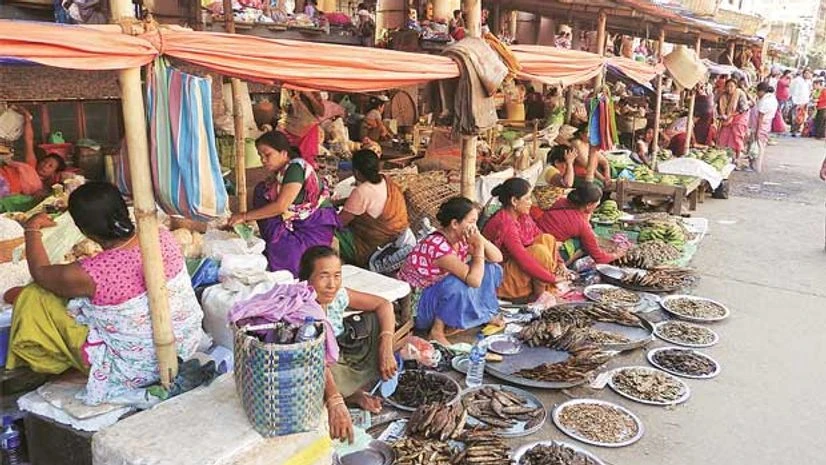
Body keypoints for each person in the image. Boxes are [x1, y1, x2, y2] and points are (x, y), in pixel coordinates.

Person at [5, 182, 205, 405]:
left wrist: (32, 230)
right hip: (185, 345)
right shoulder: (162, 237)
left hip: (135, 369)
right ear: (124, 209)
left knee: (34, 295)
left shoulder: (90, 272)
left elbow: (41, 273)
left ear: (82, 230)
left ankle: (40, 367)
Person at [299, 246, 398, 442]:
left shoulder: (339, 294)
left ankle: (351, 392)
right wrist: (335, 401)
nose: (332, 284)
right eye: (324, 276)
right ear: (307, 280)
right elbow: (317, 360)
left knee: (373, 320)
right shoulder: (301, 309)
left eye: (337, 275)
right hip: (319, 364)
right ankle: (346, 395)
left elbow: (383, 304)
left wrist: (386, 348)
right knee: (314, 383)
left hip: (342, 351)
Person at [229, 131, 340, 275]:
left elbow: (281, 206)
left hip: (314, 227)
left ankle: (282, 253)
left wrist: (244, 216)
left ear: (283, 153)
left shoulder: (295, 168)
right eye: (260, 156)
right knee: (262, 190)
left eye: (267, 155)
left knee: (293, 261)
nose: (263, 160)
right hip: (299, 224)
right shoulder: (281, 173)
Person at [397, 197, 503, 346]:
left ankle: (484, 313)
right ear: (454, 224)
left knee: (491, 268)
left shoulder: (460, 239)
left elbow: (497, 258)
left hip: (435, 294)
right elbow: (474, 281)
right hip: (418, 304)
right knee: (456, 283)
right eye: (471, 222)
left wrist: (480, 238)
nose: (474, 227)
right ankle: (436, 330)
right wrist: (478, 248)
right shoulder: (438, 246)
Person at [482, 178, 564, 301]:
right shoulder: (505, 223)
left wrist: (560, 263)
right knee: (539, 252)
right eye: (527, 198)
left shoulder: (522, 216)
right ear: (514, 201)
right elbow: (523, 258)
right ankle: (539, 297)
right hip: (499, 276)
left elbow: (539, 234)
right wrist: (551, 278)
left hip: (515, 266)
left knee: (547, 238)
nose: (530, 202)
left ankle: (543, 287)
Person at [336, 149, 409, 267]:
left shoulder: (361, 192)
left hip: (373, 245)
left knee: (327, 232)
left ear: (357, 172)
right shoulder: (387, 181)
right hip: (397, 238)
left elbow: (340, 222)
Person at [536, 183, 624, 265]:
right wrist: (616, 255)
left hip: (536, 240)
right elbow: (599, 258)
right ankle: (560, 265)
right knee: (582, 244)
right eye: (597, 203)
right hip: (546, 253)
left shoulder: (561, 201)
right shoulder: (581, 224)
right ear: (589, 205)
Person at [717, 78, 751, 165]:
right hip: (727, 119)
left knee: (737, 137)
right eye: (727, 86)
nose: (729, 88)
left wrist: (731, 115)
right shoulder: (723, 95)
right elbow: (718, 107)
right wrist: (722, 116)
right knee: (723, 136)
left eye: (731, 86)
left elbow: (744, 108)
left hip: (740, 118)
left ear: (735, 86)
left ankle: (737, 157)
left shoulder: (740, 93)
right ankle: (724, 156)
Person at [570, 123, 611, 189]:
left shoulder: (590, 144)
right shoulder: (577, 143)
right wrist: (603, 179)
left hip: (593, 172)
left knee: (612, 171)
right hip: (581, 176)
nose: (591, 135)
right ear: (581, 134)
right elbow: (587, 165)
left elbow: (604, 162)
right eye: (588, 132)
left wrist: (607, 176)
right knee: (599, 184)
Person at [752, 82, 778, 172]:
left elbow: (760, 118)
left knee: (758, 146)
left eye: (757, 92)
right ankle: (755, 165)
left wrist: (757, 132)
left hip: (762, 125)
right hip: (767, 124)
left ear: (762, 91)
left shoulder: (765, 101)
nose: (757, 94)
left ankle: (756, 166)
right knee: (760, 145)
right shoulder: (772, 99)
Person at [789, 69, 813, 136]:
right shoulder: (798, 80)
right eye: (806, 73)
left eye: (809, 74)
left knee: (801, 118)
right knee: (796, 117)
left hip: (805, 101)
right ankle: (794, 130)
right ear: (803, 73)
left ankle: (796, 129)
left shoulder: (808, 82)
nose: (807, 75)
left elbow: (809, 91)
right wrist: (795, 101)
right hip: (797, 101)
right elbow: (794, 91)